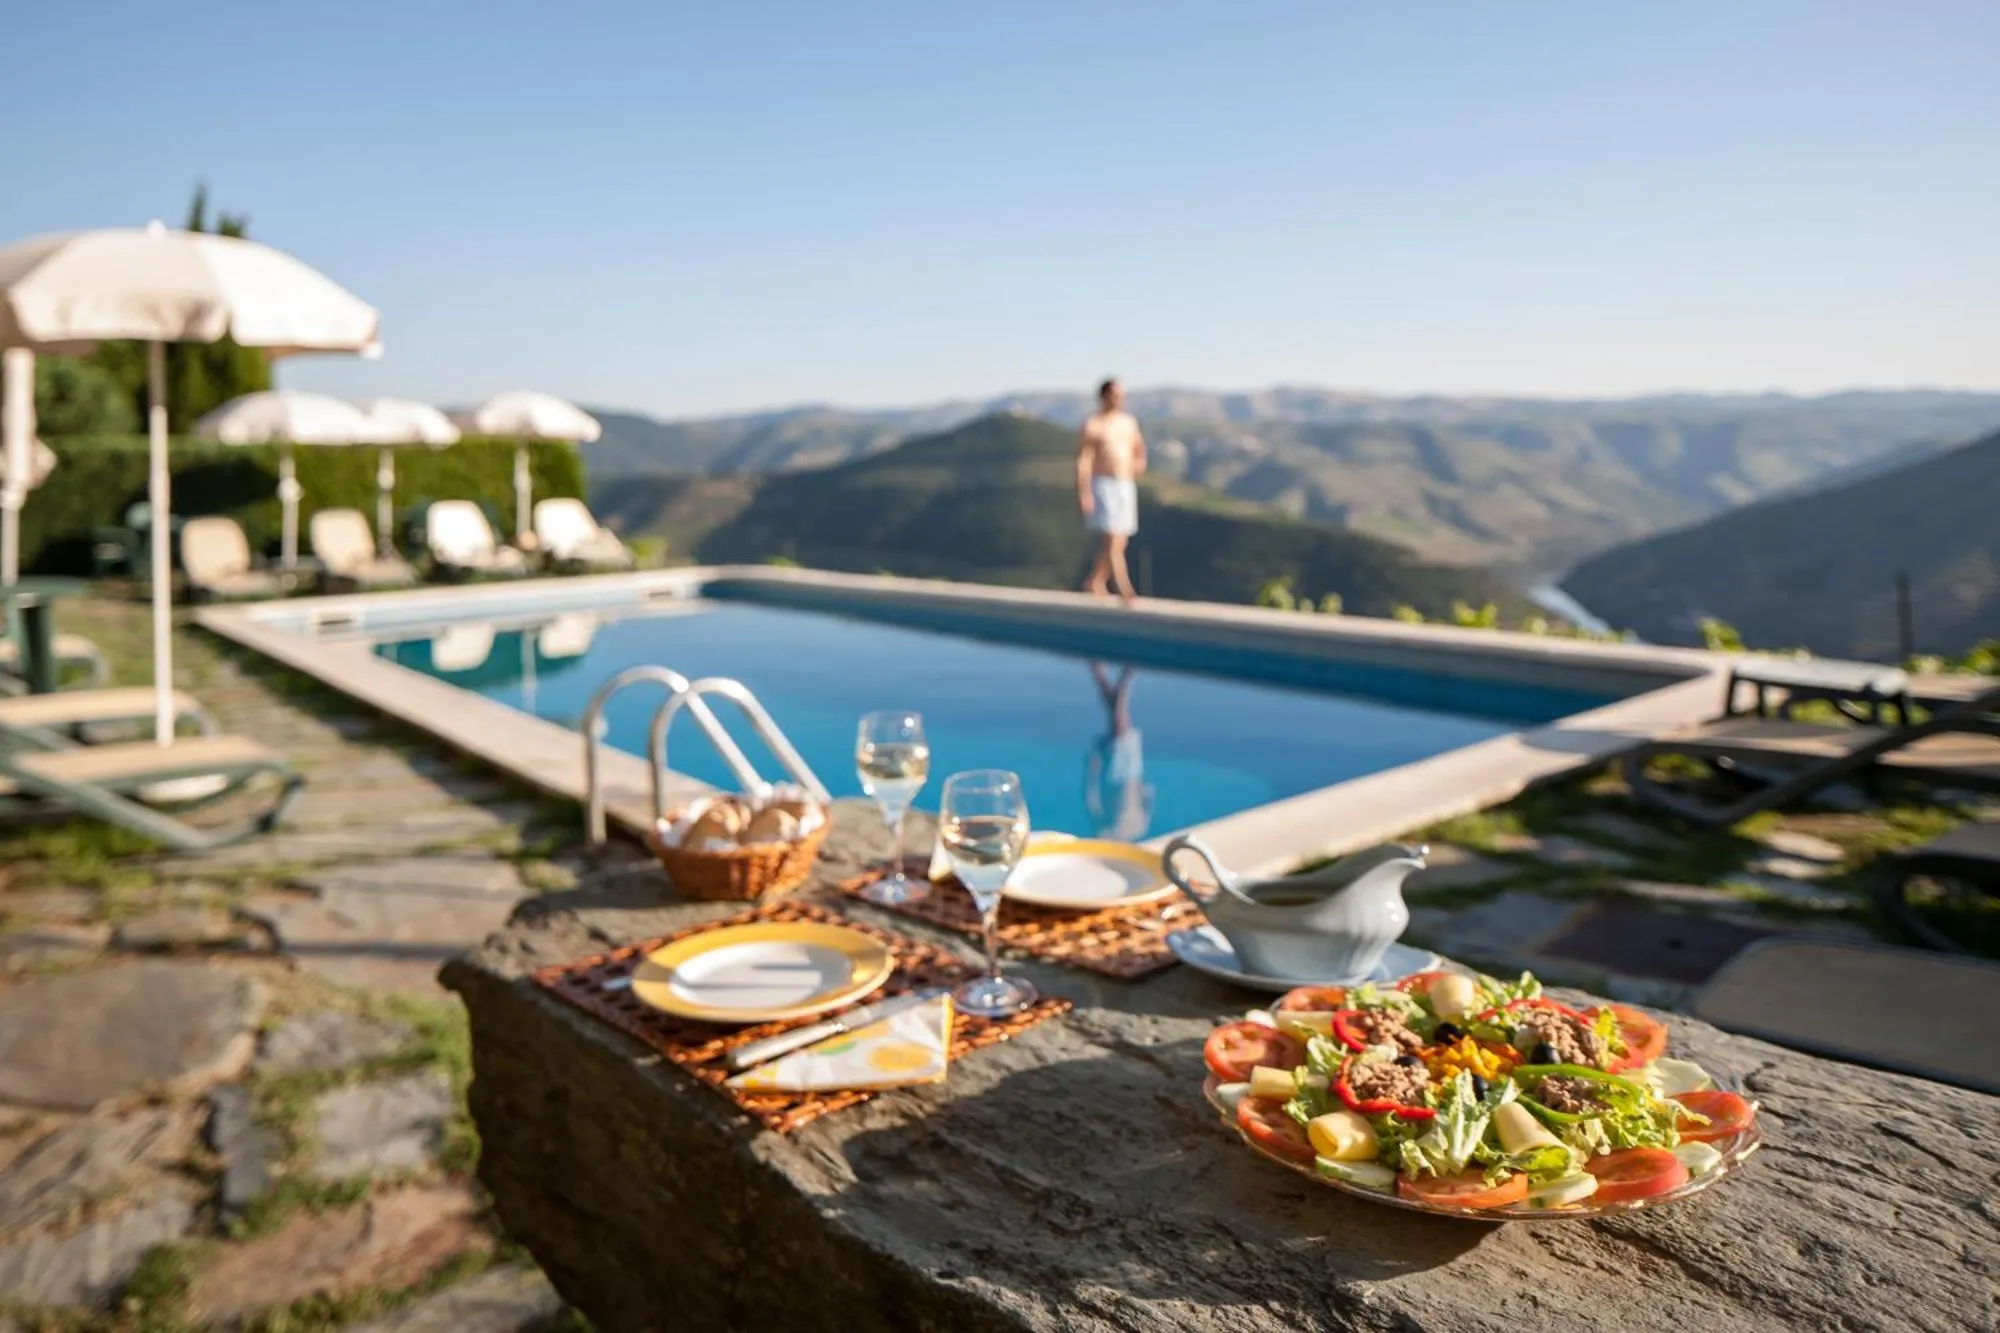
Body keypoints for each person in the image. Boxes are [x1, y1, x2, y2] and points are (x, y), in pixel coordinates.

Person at [1076, 377, 1146, 603]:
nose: (1119, 400)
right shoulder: (1093, 424)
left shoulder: (1128, 422)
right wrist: (1084, 491)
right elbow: (1083, 460)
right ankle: (1125, 588)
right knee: (1113, 539)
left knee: (1120, 540)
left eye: (1121, 396)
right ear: (1103, 396)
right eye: (1115, 395)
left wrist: (1139, 462)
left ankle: (1094, 581)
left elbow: (1138, 448)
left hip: (1125, 484)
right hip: (1102, 484)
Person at [1084, 661, 1153, 841]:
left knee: (1119, 724)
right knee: (1119, 723)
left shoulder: (1121, 832)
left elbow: (1093, 802)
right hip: (1124, 777)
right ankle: (1111, 675)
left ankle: (1123, 677)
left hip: (1119, 777)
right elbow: (1092, 802)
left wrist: (1092, 768)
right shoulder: (1131, 831)